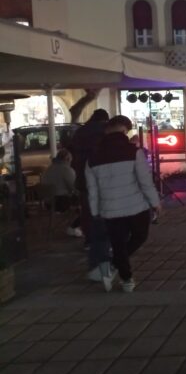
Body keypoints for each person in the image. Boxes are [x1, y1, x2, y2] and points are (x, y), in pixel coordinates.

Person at [86, 115, 161, 293]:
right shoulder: (133, 152)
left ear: (107, 130)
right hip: (136, 205)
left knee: (118, 243)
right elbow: (145, 181)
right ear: (124, 130)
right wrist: (155, 202)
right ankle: (113, 266)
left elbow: (92, 190)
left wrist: (95, 211)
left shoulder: (93, 157)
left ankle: (126, 280)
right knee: (139, 236)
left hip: (109, 209)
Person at [70, 108, 112, 284]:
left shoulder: (80, 132)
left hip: (82, 178)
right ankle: (103, 260)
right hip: (101, 178)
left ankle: (90, 242)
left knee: (88, 212)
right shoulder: (104, 132)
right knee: (104, 217)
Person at [41, 148, 82, 237]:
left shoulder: (48, 169)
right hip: (61, 203)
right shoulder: (66, 169)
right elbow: (75, 187)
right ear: (67, 159)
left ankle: (74, 225)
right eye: (71, 159)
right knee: (86, 202)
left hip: (48, 203)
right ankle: (73, 226)